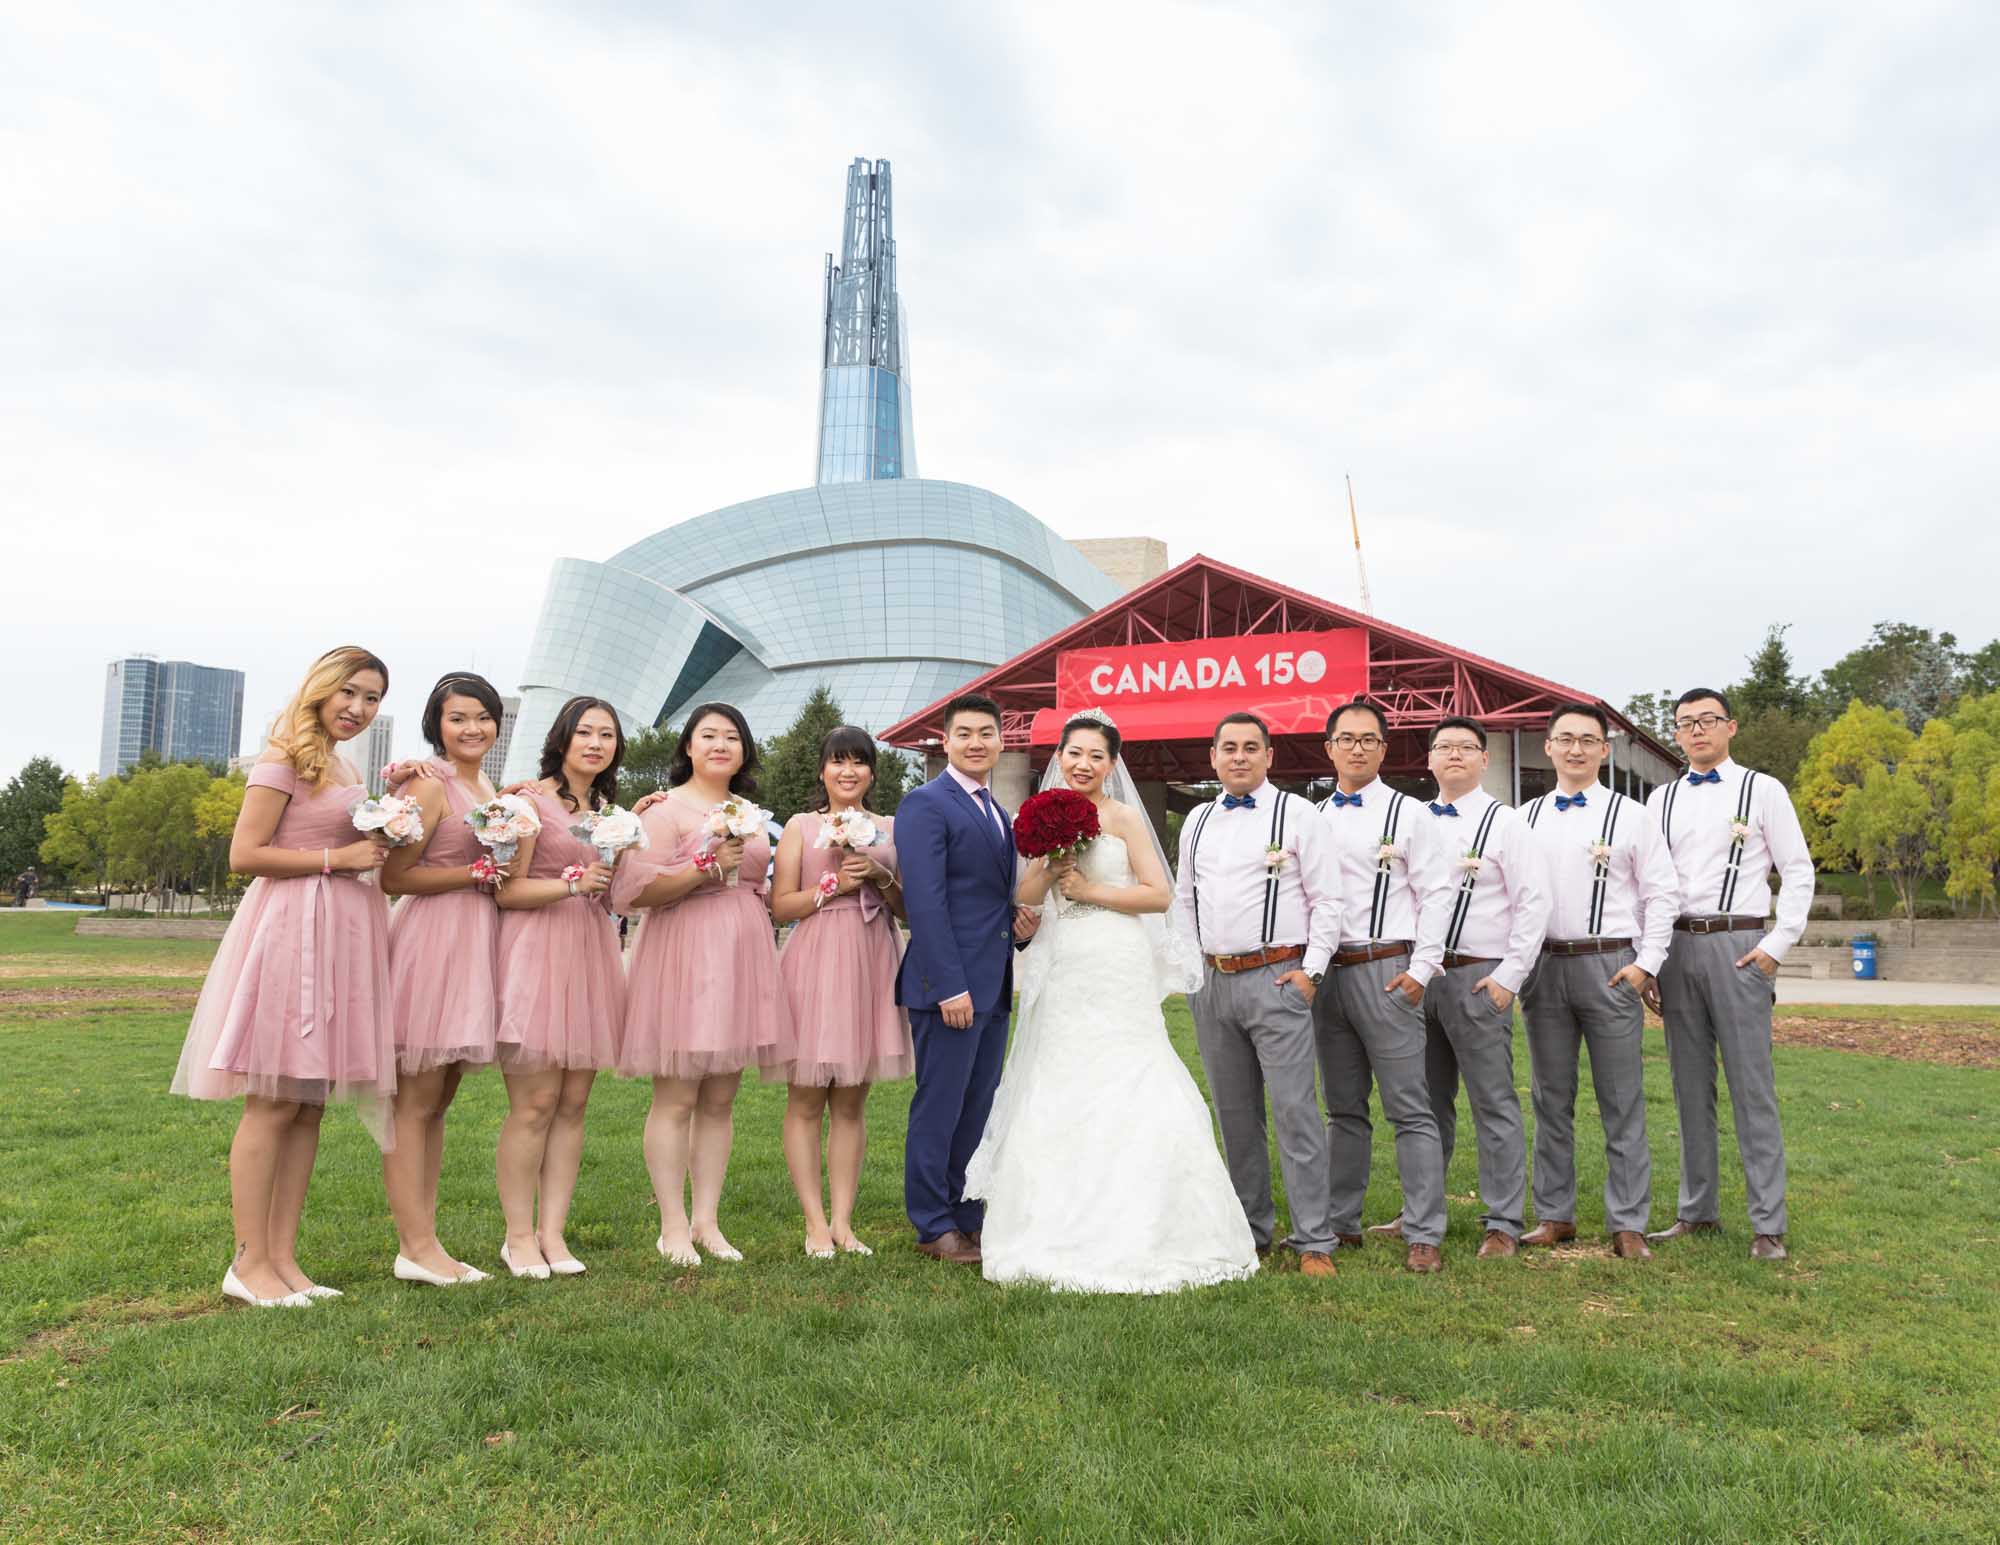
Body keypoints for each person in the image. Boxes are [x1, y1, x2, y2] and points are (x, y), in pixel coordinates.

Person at [968, 711, 1259, 1292]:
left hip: (1116, 956)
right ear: (1061, 756)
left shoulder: (1125, 818)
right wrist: (1051, 872)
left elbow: (1160, 894)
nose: (1083, 764)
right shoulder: (1038, 816)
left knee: (1132, 1070)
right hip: (1065, 958)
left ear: (1111, 763)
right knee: (1058, 1074)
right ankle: (1051, 1221)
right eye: (1075, 753)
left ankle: (1158, 1221)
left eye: (1096, 756)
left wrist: (1091, 889)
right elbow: (1021, 895)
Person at [171, 645, 400, 1308]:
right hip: (291, 933)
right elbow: (245, 853)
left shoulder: (345, 763)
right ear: (321, 689)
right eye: (351, 692)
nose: (359, 707)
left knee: (308, 1105)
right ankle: (246, 1261)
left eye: (373, 698)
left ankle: (284, 1260)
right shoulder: (282, 759)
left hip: (340, 936)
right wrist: (340, 857)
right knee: (272, 1100)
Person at [1644, 688, 1815, 1261]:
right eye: (1685, 723)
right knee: (1690, 1088)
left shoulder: (1762, 790)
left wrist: (1776, 945)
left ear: (1731, 727)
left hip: (1741, 945)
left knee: (1751, 1088)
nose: (1697, 731)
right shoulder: (1661, 799)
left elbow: (1797, 870)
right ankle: (1697, 1211)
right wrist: (1652, 957)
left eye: (1707, 721)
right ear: (1676, 732)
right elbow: (1649, 883)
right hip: (1678, 949)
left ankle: (1768, 1224)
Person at [616, 702, 790, 1266]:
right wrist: (706, 867)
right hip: (684, 950)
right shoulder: (664, 811)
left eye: (732, 737)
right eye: (708, 735)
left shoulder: (749, 811)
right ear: (688, 747)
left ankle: (707, 1222)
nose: (720, 745)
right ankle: (671, 1225)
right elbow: (638, 893)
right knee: (677, 1093)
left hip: (742, 945)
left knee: (721, 1095)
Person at [1173, 711, 1343, 1279]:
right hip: (1213, 982)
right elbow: (1185, 901)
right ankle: (1251, 1227)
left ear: (1270, 756)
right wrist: (1193, 970)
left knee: (1296, 1110)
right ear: (1214, 757)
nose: (1239, 757)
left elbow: (1327, 899)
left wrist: (1311, 972)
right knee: (1235, 1114)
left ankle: (1314, 1237)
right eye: (1229, 748)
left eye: (1251, 747)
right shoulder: (1196, 819)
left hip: (1277, 977)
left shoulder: (1298, 814)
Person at [1377, 717, 1549, 1258]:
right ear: (1427, 759)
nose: (1454, 755)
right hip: (1418, 977)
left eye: (1465, 747)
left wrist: (1507, 979)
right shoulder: (1409, 819)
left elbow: (1533, 902)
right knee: (1425, 1103)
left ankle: (1503, 1220)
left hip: (1478, 976)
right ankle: (1420, 1213)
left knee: (1493, 1101)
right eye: (1443, 747)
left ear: (1484, 759)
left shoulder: (1507, 822)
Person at [1515, 702, 1677, 1259]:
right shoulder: (1524, 818)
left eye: (1588, 739)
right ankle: (1555, 1214)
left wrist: (1647, 963)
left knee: (1621, 1098)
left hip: (1610, 967)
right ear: (1549, 747)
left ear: (1605, 751)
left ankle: (1628, 1221)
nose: (1577, 749)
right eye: (1566, 738)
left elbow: (1662, 894)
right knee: (1550, 1097)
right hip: (1544, 967)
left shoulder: (1633, 816)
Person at [894, 692, 1038, 1267]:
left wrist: (1019, 925)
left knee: (977, 1108)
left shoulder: (996, 810)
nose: (977, 743)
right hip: (948, 988)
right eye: (965, 734)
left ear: (1002, 741)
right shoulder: (926, 803)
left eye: (987, 733)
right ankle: (931, 1223)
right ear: (945, 741)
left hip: (994, 984)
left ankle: (965, 1214)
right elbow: (925, 904)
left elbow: (982, 900)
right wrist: (950, 985)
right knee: (940, 1107)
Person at [1312, 698, 1455, 1272]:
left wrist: (1421, 970)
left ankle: (1424, 1230)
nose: (1357, 748)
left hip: (1386, 967)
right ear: (1329, 748)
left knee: (1409, 1107)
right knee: (1343, 1107)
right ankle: (1341, 1221)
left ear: (1383, 748)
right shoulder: (1311, 816)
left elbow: (1439, 893)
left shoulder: (1411, 813)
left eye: (1369, 739)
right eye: (1346, 739)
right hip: (1327, 975)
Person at [377, 673, 507, 1287]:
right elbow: (395, 877)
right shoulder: (429, 786)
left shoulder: (490, 787)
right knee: (416, 1101)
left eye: (482, 716)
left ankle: (425, 1240)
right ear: (438, 724)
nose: (471, 728)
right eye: (458, 718)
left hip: (477, 942)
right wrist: (471, 876)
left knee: (440, 1102)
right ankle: (417, 1246)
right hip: (434, 942)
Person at [492, 696, 628, 1279]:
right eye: (586, 732)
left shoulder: (611, 811)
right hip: (537, 949)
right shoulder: (526, 803)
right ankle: (517, 1236)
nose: (596, 743)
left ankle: (554, 1232)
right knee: (535, 1103)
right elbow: (506, 890)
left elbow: (614, 887)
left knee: (573, 1103)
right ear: (563, 738)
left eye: (608, 735)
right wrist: (571, 887)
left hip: (590, 951)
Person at [768, 726, 910, 1259]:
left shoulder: (892, 828)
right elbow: (781, 906)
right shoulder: (801, 828)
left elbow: (907, 909)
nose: (848, 772)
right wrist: (836, 887)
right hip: (817, 956)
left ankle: (844, 1223)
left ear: (872, 772)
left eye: (859, 762)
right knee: (806, 1095)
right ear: (823, 770)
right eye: (837, 762)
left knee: (852, 1100)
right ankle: (813, 1223)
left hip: (872, 956)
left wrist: (880, 875)